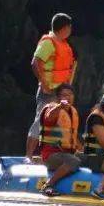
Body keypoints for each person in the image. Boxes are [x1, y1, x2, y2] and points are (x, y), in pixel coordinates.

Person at [26, 13, 77, 161]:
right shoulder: (48, 42)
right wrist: (43, 82)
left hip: (60, 91)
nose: (71, 30)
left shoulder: (65, 45)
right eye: (69, 27)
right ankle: (28, 156)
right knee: (40, 120)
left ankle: (54, 154)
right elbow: (35, 63)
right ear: (65, 27)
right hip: (48, 90)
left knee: (58, 122)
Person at [38, 83, 82, 195]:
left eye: (70, 94)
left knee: (87, 157)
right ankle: (48, 185)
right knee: (74, 161)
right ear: (58, 98)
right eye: (64, 95)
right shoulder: (53, 108)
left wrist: (82, 150)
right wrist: (60, 106)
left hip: (67, 154)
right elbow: (48, 118)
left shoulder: (72, 112)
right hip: (51, 156)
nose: (68, 97)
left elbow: (73, 136)